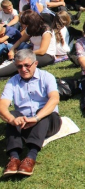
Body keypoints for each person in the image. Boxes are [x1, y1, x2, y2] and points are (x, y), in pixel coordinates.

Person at [0, 49, 61, 177]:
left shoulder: (46, 77)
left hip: (48, 122)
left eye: (27, 65)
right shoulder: (13, 81)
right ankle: (14, 158)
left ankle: (31, 156)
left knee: (44, 112)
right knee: (13, 114)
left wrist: (36, 118)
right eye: (19, 66)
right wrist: (12, 119)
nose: (23, 69)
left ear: (35, 63)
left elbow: (54, 99)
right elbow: (2, 105)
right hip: (24, 123)